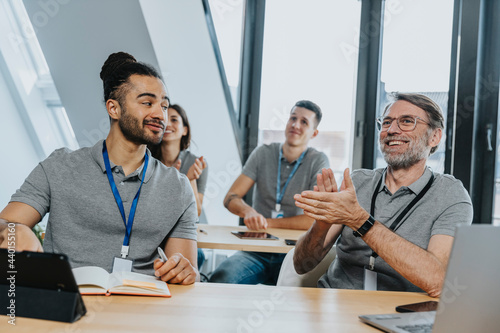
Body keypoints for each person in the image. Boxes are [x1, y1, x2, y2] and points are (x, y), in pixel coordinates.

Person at [0, 52, 199, 284]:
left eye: (164, 106)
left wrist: (184, 271)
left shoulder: (178, 187)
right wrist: (15, 232)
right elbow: (5, 225)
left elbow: (184, 268)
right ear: (113, 108)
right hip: (66, 303)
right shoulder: (60, 166)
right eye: (147, 103)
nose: (159, 114)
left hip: (143, 308)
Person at [293, 93, 473, 297]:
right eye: (386, 122)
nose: (392, 130)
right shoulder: (357, 182)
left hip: (400, 314)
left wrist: (359, 220)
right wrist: (321, 226)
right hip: (336, 305)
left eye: (407, 121)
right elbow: (301, 265)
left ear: (435, 137)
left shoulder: (450, 195)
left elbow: (437, 281)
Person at [209, 100, 330, 285]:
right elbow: (230, 198)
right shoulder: (263, 153)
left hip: (293, 254)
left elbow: (313, 219)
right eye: (292, 118)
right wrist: (247, 211)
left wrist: (266, 223)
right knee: (221, 278)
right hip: (256, 250)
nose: (295, 125)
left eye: (304, 122)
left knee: (298, 298)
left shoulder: (318, 161)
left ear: (314, 133)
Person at [148, 104, 208, 269]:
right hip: (153, 228)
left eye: (174, 120)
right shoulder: (147, 160)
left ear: (185, 130)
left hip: (181, 230)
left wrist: (189, 181)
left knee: (198, 256)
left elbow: (196, 212)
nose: (168, 124)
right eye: (165, 119)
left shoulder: (197, 163)